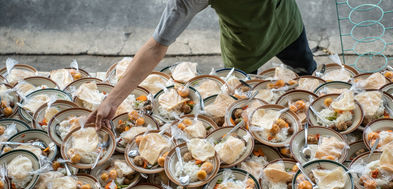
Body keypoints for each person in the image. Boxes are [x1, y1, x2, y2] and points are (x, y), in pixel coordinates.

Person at [87, 0, 316, 129]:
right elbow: (156, 47)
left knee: (307, 72)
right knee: (242, 106)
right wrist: (112, 100)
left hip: (288, 29)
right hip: (244, 46)